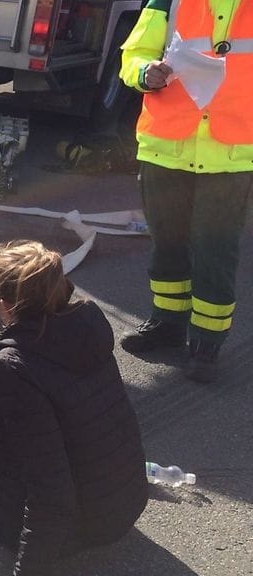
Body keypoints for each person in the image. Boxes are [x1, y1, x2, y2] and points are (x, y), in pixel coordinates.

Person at [0, 241, 149, 576]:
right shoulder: (87, 321)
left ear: (6, 302)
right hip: (122, 497)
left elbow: (50, 488)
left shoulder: (14, 368)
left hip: (82, 522)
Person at [118, 0, 253, 382]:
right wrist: (146, 72)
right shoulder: (168, 1)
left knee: (216, 251)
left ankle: (207, 343)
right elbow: (134, 55)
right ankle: (168, 324)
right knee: (168, 243)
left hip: (232, 152)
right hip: (167, 146)